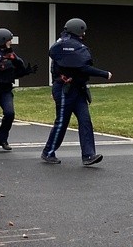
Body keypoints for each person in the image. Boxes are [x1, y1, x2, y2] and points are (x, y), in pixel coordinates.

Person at [41, 17, 111, 166]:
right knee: (62, 122)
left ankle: (88, 155)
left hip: (78, 90)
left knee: (85, 121)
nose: (84, 34)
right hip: (65, 89)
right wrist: (104, 74)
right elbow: (82, 68)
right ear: (79, 30)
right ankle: (48, 152)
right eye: (83, 31)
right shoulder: (67, 47)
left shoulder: (65, 45)